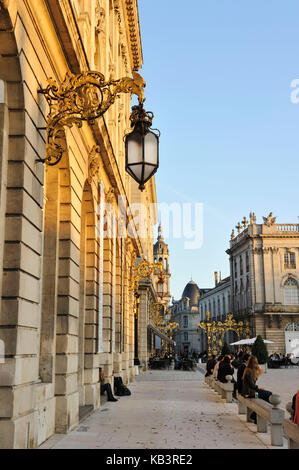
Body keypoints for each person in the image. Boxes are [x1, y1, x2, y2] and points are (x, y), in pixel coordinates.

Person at [242, 355, 272, 423]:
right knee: (269, 394)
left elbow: (252, 383)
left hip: (249, 391)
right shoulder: (249, 371)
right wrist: (258, 376)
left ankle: (255, 414)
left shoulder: (247, 369)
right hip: (249, 393)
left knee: (265, 395)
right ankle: (255, 415)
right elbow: (252, 385)